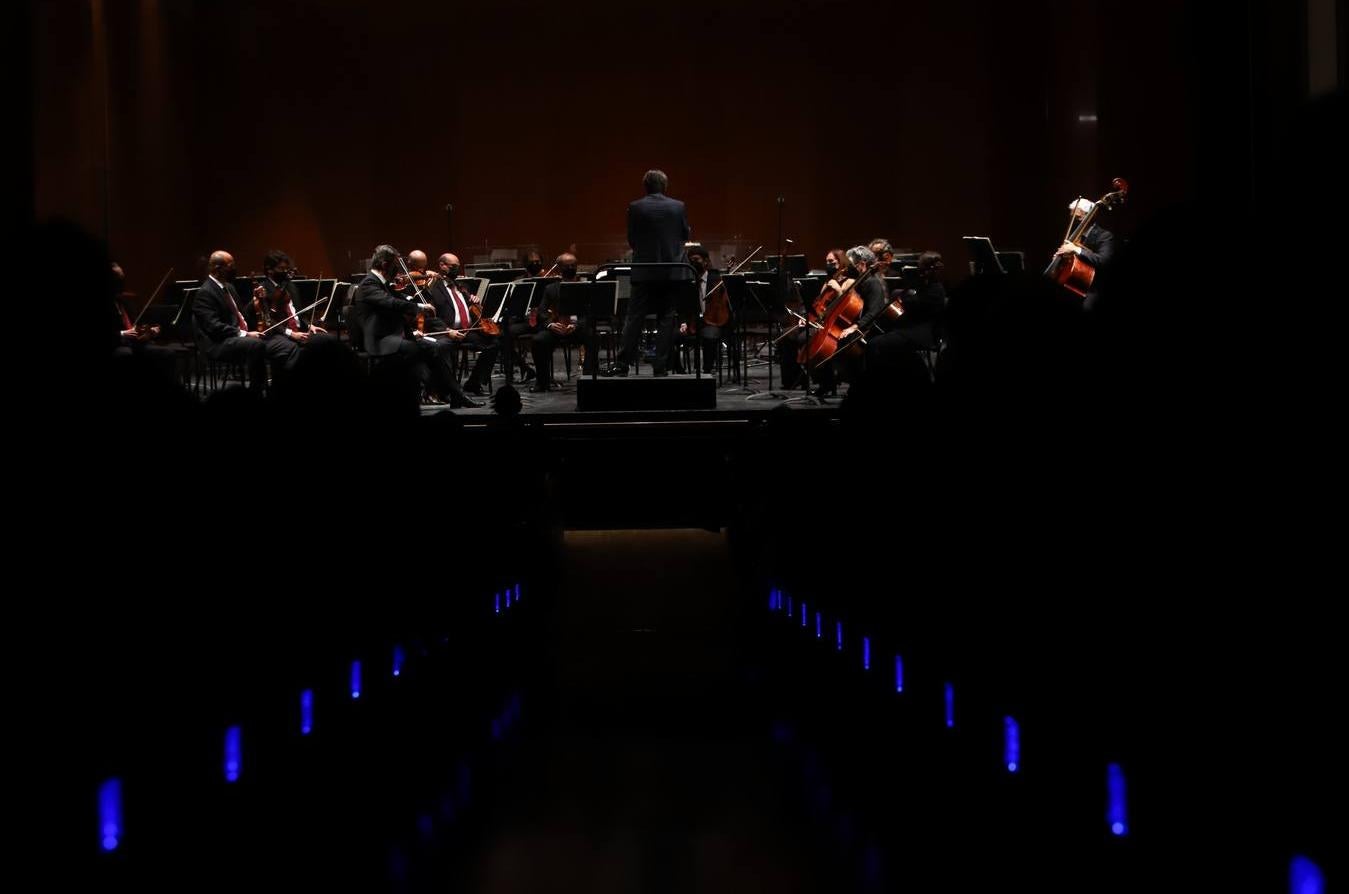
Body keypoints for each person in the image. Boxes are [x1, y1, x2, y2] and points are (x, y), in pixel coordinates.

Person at [605, 169, 690, 377]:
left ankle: (622, 364)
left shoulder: (635, 207)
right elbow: (684, 235)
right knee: (666, 318)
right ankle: (660, 366)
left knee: (634, 318)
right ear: (665, 185)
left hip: (644, 272)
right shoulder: (678, 206)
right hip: (671, 272)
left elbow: (632, 239)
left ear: (646, 186)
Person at [192, 250, 299, 391]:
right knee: (255, 344)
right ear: (218, 269)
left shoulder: (229, 287)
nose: (234, 268)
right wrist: (245, 334)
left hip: (241, 337)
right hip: (219, 342)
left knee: (286, 346)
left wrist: (255, 301)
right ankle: (257, 391)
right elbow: (214, 327)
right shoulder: (205, 293)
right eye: (231, 265)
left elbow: (243, 316)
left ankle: (280, 390)